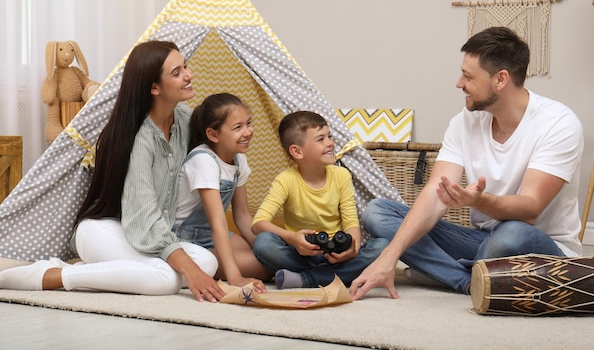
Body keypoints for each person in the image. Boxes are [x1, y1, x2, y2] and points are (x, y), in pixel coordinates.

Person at [349, 26, 584, 300]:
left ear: (501, 79)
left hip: (539, 246)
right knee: (377, 212)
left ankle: (444, 270)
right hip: (481, 241)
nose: (459, 83)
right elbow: (433, 196)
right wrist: (389, 258)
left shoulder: (558, 124)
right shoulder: (465, 121)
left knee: (511, 234)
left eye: (468, 76)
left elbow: (530, 209)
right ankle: (469, 281)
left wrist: (477, 201)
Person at [0, 40, 225, 303]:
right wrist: (187, 269)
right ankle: (56, 276)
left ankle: (92, 272)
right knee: (165, 277)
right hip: (104, 230)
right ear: (154, 87)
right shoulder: (140, 138)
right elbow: (144, 218)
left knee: (206, 262)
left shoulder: (186, 120)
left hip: (147, 235)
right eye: (177, 73)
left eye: (184, 67)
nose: (189, 75)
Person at [251, 111, 388, 289]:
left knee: (383, 246)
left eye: (329, 136)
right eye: (320, 139)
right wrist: (292, 238)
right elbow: (258, 223)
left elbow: (350, 220)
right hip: (300, 253)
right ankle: (333, 276)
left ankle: (305, 279)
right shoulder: (285, 180)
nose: (330, 143)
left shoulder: (341, 175)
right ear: (297, 151)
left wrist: (352, 250)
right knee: (263, 243)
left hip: (335, 254)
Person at [174, 93, 272, 289]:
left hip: (211, 234)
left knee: (266, 254)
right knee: (264, 267)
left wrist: (266, 249)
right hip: (185, 237)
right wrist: (235, 276)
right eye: (238, 127)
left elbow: (242, 216)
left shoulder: (238, 158)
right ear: (213, 134)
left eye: (248, 123)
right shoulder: (203, 160)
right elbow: (218, 222)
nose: (248, 132)